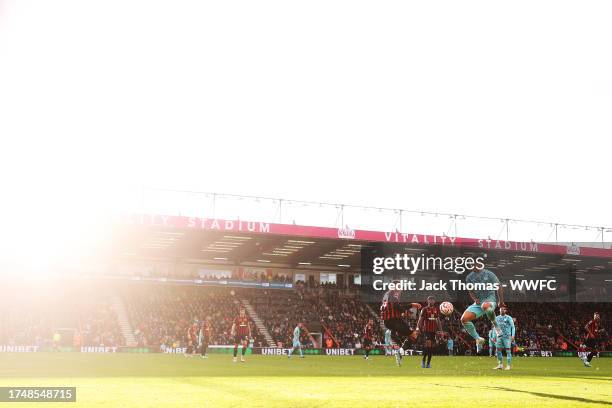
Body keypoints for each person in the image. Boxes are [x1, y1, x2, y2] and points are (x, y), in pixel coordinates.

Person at [460, 263, 504, 354]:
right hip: (479, 303)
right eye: (469, 265)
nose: (471, 266)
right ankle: (478, 339)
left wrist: (501, 301)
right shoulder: (469, 277)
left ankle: (496, 326)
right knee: (464, 319)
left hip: (490, 300)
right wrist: (475, 299)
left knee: (486, 306)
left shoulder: (489, 274)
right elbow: (470, 291)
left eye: (473, 264)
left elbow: (499, 286)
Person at [380, 280, 422, 366]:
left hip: (388, 321)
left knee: (404, 338)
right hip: (394, 320)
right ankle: (400, 352)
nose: (400, 289)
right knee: (414, 335)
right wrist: (411, 305)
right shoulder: (393, 293)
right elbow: (397, 306)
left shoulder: (386, 294)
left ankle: (399, 352)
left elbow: (391, 306)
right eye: (399, 286)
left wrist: (403, 311)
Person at [415, 296, 443, 368]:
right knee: (428, 346)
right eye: (430, 300)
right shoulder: (424, 309)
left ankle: (428, 363)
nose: (431, 301)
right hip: (426, 331)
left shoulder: (436, 310)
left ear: (434, 301)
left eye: (433, 300)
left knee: (431, 348)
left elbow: (438, 320)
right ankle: (423, 361)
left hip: (433, 331)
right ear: (428, 301)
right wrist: (418, 328)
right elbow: (420, 320)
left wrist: (441, 331)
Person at [493, 306, 515, 370]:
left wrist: (513, 335)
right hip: (499, 337)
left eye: (504, 309)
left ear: (506, 311)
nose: (502, 310)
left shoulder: (508, 318)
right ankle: (500, 365)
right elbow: (495, 327)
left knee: (508, 351)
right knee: (498, 350)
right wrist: (494, 336)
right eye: (501, 309)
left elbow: (513, 327)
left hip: (507, 337)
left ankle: (508, 365)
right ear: (499, 310)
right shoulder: (496, 318)